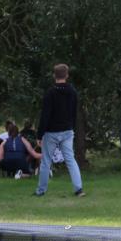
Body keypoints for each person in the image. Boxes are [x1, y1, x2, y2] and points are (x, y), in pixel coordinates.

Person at [35, 63, 84, 197]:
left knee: (46, 161)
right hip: (67, 131)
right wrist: (71, 127)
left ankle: (41, 190)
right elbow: (74, 113)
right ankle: (78, 189)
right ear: (67, 75)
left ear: (54, 76)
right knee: (70, 160)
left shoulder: (50, 93)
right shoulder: (72, 92)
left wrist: (40, 135)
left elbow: (45, 115)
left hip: (51, 132)